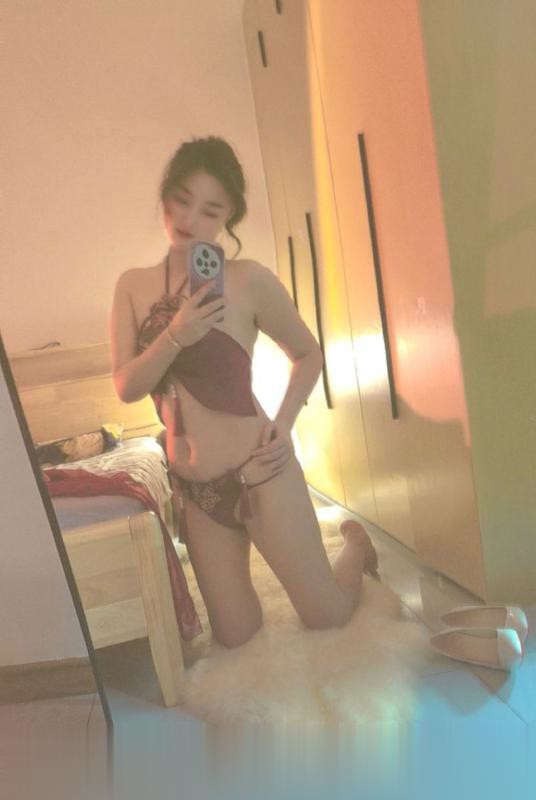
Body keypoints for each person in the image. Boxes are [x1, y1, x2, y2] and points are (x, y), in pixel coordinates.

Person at [110, 136, 378, 650]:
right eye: (183, 199)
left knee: (327, 615)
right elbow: (126, 387)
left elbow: (308, 353)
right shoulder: (131, 286)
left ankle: (355, 546)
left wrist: (285, 422)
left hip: (261, 471)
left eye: (211, 210)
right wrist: (176, 335)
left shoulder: (248, 279)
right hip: (197, 491)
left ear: (229, 217)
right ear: (165, 196)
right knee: (236, 636)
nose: (191, 218)